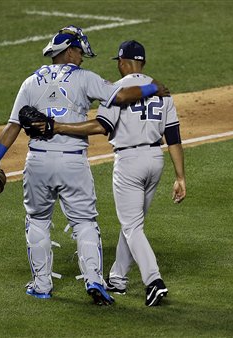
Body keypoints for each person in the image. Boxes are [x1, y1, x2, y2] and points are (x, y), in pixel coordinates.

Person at [0, 26, 169, 305]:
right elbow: (120, 96)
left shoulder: (30, 82)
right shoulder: (85, 78)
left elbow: (12, 126)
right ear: (69, 51)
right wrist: (151, 87)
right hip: (73, 162)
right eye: (80, 52)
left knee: (37, 220)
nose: (82, 57)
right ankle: (95, 281)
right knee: (84, 222)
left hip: (38, 161)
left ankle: (41, 284)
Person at [46, 40, 186, 306]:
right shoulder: (162, 90)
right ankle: (118, 278)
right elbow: (174, 137)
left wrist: (61, 127)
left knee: (132, 226)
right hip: (155, 160)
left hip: (129, 161)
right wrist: (180, 177)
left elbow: (102, 126)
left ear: (122, 62)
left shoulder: (116, 89)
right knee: (132, 222)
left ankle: (154, 281)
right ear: (142, 62)